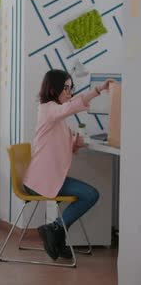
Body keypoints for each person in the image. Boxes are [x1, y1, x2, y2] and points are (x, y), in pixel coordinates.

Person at [23, 69, 113, 260]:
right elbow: (70, 106)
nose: (69, 93)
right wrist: (98, 89)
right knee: (91, 195)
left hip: (49, 178)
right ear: (53, 89)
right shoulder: (47, 109)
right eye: (66, 88)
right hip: (40, 182)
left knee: (89, 194)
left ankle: (55, 233)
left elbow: (56, 146)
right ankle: (55, 229)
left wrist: (75, 146)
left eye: (71, 88)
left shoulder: (57, 117)